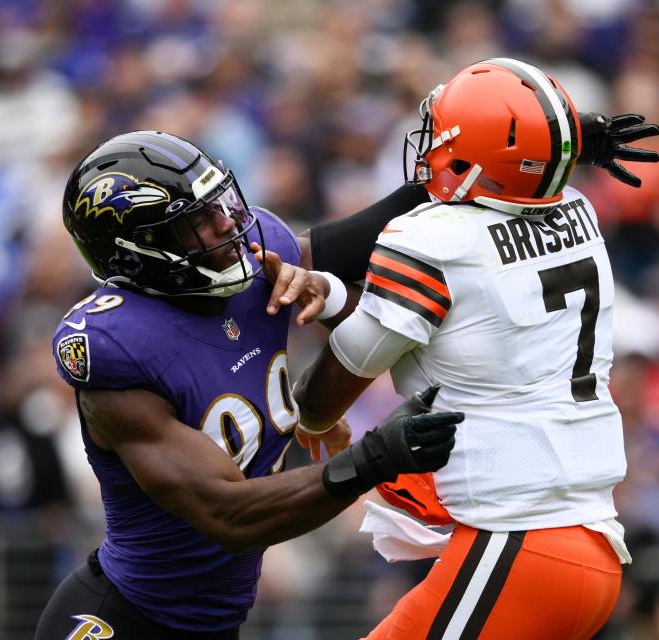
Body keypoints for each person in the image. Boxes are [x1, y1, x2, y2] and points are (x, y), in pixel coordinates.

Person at [33, 131, 464, 639]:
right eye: (198, 222)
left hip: (216, 624)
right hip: (124, 621)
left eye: (220, 205)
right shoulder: (120, 353)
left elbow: (367, 235)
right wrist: (376, 458)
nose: (228, 226)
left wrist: (468, 165)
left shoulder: (255, 260)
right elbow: (230, 515)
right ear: (141, 252)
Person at [294, 58, 657, 639]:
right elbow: (458, 322)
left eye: (443, 133)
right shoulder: (579, 212)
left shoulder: (433, 240)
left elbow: (343, 374)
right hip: (584, 540)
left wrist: (311, 414)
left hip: (522, 542)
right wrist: (339, 294)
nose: (431, 144)